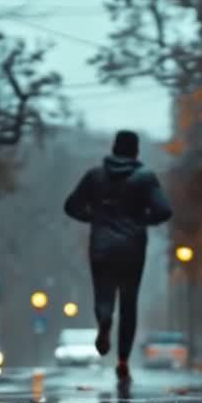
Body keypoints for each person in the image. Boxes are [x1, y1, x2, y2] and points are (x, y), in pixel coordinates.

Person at [63, 130, 173, 382]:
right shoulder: (144, 178)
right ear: (135, 151)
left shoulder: (95, 176)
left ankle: (103, 322)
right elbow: (164, 210)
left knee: (103, 292)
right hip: (132, 246)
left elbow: (71, 206)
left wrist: (95, 218)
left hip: (101, 244)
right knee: (128, 302)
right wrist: (141, 220)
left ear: (113, 149)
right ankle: (123, 360)